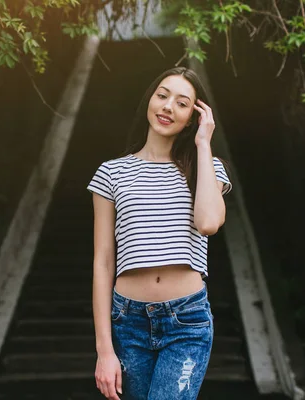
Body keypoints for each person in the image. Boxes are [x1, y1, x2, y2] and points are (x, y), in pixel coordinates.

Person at [86, 66, 232, 400]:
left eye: (182, 103)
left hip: (186, 321)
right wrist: (104, 350)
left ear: (193, 117)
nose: (168, 107)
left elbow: (209, 223)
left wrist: (204, 143)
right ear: (149, 100)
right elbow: (103, 263)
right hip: (128, 322)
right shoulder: (112, 173)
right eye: (162, 96)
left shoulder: (205, 168)